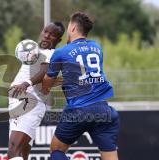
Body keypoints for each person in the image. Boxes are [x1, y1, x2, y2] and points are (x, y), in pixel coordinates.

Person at [41, 12, 120, 160]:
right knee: (110, 157)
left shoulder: (61, 52)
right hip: (104, 110)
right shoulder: (97, 47)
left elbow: (47, 82)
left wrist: (44, 86)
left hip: (78, 110)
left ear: (72, 28)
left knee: (56, 149)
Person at [7, 22, 65, 160]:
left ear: (58, 40)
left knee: (13, 152)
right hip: (19, 100)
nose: (46, 36)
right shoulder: (35, 50)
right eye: (45, 31)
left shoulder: (52, 53)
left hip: (29, 102)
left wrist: (27, 83)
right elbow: (44, 77)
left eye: (52, 34)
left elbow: (44, 71)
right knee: (21, 152)